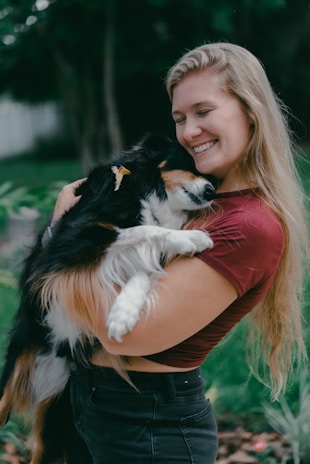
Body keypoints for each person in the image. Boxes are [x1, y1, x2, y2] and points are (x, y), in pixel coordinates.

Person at [50, 42, 308, 463]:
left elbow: (128, 334)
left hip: (147, 428)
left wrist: (66, 236)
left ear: (250, 111)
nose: (188, 132)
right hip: (99, 405)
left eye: (204, 112)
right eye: (180, 118)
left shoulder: (249, 226)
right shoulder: (198, 199)